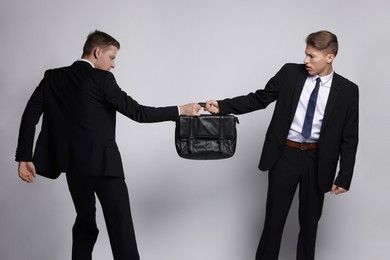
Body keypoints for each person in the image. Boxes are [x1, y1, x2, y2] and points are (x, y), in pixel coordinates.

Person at [15, 30, 201, 260]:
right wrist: (180, 110)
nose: (113, 65)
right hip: (105, 166)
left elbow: (29, 115)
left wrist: (25, 157)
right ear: (97, 52)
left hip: (74, 168)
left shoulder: (53, 77)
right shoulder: (102, 80)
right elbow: (138, 112)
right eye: (112, 58)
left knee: (85, 224)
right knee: (121, 229)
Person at [205, 30, 359, 260]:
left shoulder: (348, 90)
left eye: (312, 56)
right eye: (305, 54)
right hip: (284, 155)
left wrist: (344, 175)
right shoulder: (290, 73)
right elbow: (259, 98)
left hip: (318, 161)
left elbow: (350, 136)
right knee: (273, 223)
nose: (305, 60)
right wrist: (222, 106)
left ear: (330, 57)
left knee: (309, 226)